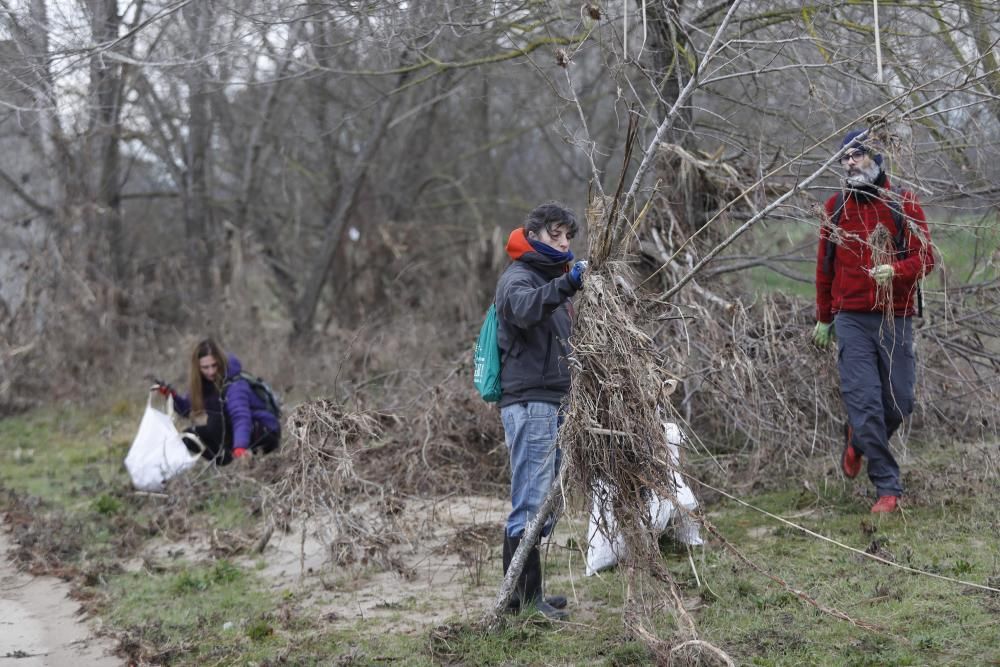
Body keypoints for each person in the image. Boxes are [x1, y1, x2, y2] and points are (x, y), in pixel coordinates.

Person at [813, 129, 935, 513]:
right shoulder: (835, 208)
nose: (849, 162)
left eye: (857, 155)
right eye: (844, 158)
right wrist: (823, 318)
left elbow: (927, 260)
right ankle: (888, 488)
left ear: (876, 159)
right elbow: (824, 270)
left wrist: (896, 270)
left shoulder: (903, 203)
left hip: (895, 318)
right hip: (850, 319)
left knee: (900, 403)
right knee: (864, 404)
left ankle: (858, 441)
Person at [495, 202, 587, 621]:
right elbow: (526, 310)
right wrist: (568, 284)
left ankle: (525, 594)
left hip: (553, 400)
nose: (564, 242)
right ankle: (524, 602)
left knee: (546, 501)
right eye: (556, 234)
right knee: (530, 501)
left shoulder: (551, 281)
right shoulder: (519, 278)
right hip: (530, 402)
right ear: (533, 235)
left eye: (568, 236)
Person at [155, 338, 280, 465]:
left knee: (214, 422)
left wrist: (240, 447)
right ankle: (227, 464)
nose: (211, 371)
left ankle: (237, 459)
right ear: (198, 368)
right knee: (189, 437)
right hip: (238, 432)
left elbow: (241, 416)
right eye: (205, 367)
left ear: (220, 362)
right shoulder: (203, 384)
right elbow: (186, 410)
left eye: (214, 365)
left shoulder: (235, 384)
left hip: (264, 433)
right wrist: (171, 396)